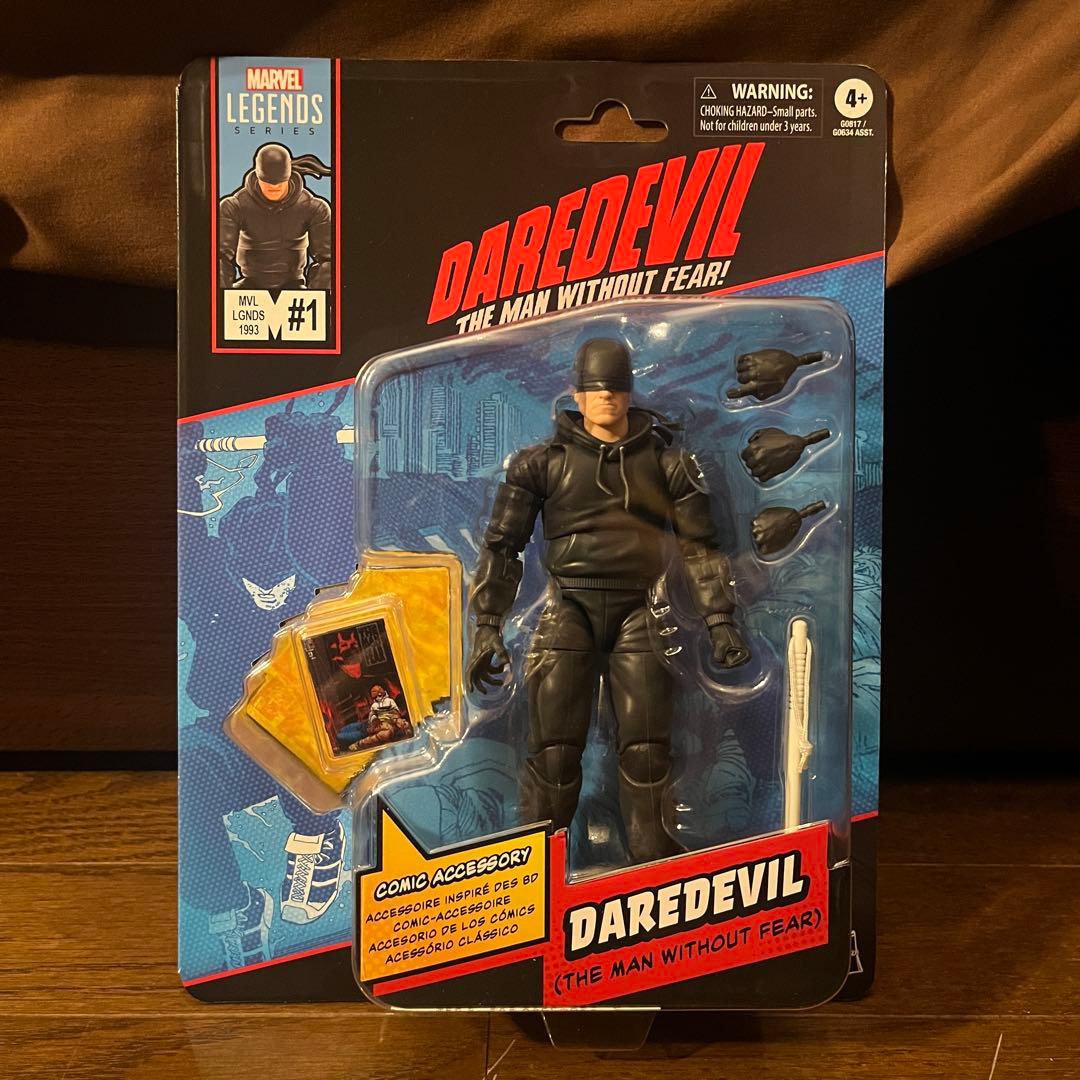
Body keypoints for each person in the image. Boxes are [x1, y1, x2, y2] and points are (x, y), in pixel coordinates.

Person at [466, 337, 751, 862]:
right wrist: (487, 624)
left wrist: (720, 620)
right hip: (568, 609)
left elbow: (701, 548)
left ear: (629, 392)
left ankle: (650, 866)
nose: (605, 397)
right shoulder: (540, 465)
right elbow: (502, 547)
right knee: (554, 752)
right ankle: (536, 866)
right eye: (595, 388)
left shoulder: (668, 465)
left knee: (646, 751)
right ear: (575, 394)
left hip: (638, 612)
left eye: (615, 388)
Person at [218, 143, 331, 290]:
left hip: (294, 286)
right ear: (257, 176)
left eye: (279, 183)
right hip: (249, 284)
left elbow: (328, 259)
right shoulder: (234, 206)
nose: (274, 187)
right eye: (267, 183)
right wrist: (222, 298)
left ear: (288, 176)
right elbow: (219, 256)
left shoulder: (314, 207)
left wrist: (316, 297)